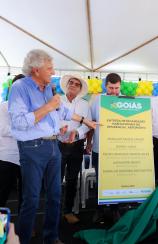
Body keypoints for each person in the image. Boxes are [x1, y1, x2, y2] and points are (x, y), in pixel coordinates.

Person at [8, 49, 97, 244]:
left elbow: (62, 110)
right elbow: (20, 122)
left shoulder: (48, 88)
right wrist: (48, 107)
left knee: (55, 196)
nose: (53, 71)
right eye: (49, 68)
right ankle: (24, 239)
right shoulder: (20, 87)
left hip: (53, 146)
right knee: (31, 199)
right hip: (32, 148)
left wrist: (85, 121)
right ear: (36, 69)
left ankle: (51, 238)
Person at [86, 73, 122, 223]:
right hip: (99, 149)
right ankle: (99, 210)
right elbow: (91, 123)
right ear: (105, 85)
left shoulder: (125, 100)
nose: (114, 91)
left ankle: (115, 210)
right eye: (111, 87)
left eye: (116, 88)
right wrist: (88, 143)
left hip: (119, 150)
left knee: (116, 181)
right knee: (100, 181)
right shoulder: (98, 100)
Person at [58, 74, 91, 224]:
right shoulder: (57, 100)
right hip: (57, 144)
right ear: (67, 85)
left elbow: (88, 124)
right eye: (71, 82)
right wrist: (59, 129)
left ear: (80, 88)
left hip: (76, 146)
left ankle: (68, 211)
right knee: (54, 180)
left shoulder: (85, 104)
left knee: (72, 180)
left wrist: (76, 132)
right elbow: (51, 119)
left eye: (76, 84)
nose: (72, 85)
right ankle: (54, 210)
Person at [0, 74, 24, 208]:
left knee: (25, 196)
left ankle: (24, 227)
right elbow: (3, 129)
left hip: (25, 157)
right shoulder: (4, 106)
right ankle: (1, 228)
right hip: (6, 158)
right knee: (2, 195)